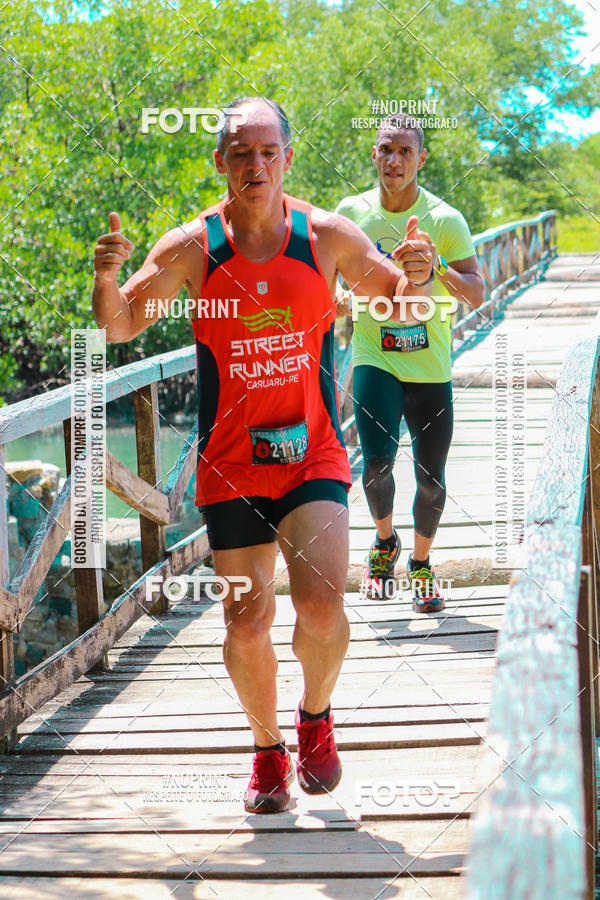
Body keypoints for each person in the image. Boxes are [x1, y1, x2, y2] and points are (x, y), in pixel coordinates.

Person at [92, 98, 434, 813]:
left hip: (313, 456)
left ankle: (315, 718)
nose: (256, 165)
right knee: (245, 622)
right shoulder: (193, 247)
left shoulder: (326, 236)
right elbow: (120, 325)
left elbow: (403, 305)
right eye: (242, 153)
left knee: (321, 605)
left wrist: (421, 273)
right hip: (231, 466)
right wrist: (105, 276)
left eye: (268, 152)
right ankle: (268, 750)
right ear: (220, 161)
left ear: (287, 158)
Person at [336, 114, 484, 612]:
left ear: (421, 158)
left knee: (430, 478)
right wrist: (337, 298)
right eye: (386, 149)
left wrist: (435, 267)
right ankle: (385, 544)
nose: (394, 160)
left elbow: (477, 292)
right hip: (374, 356)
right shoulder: (351, 213)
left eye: (405, 151)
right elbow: (327, 273)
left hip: (430, 366)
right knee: (376, 465)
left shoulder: (445, 219)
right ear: (374, 155)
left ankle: (421, 564)